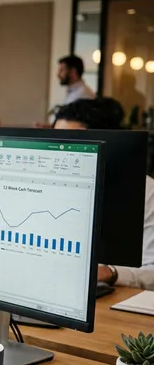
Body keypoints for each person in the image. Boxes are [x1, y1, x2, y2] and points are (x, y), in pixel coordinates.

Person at [54, 98, 154, 290]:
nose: (63, 152)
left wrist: (110, 272)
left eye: (73, 144)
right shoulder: (54, 187)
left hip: (118, 299)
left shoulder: (147, 192)